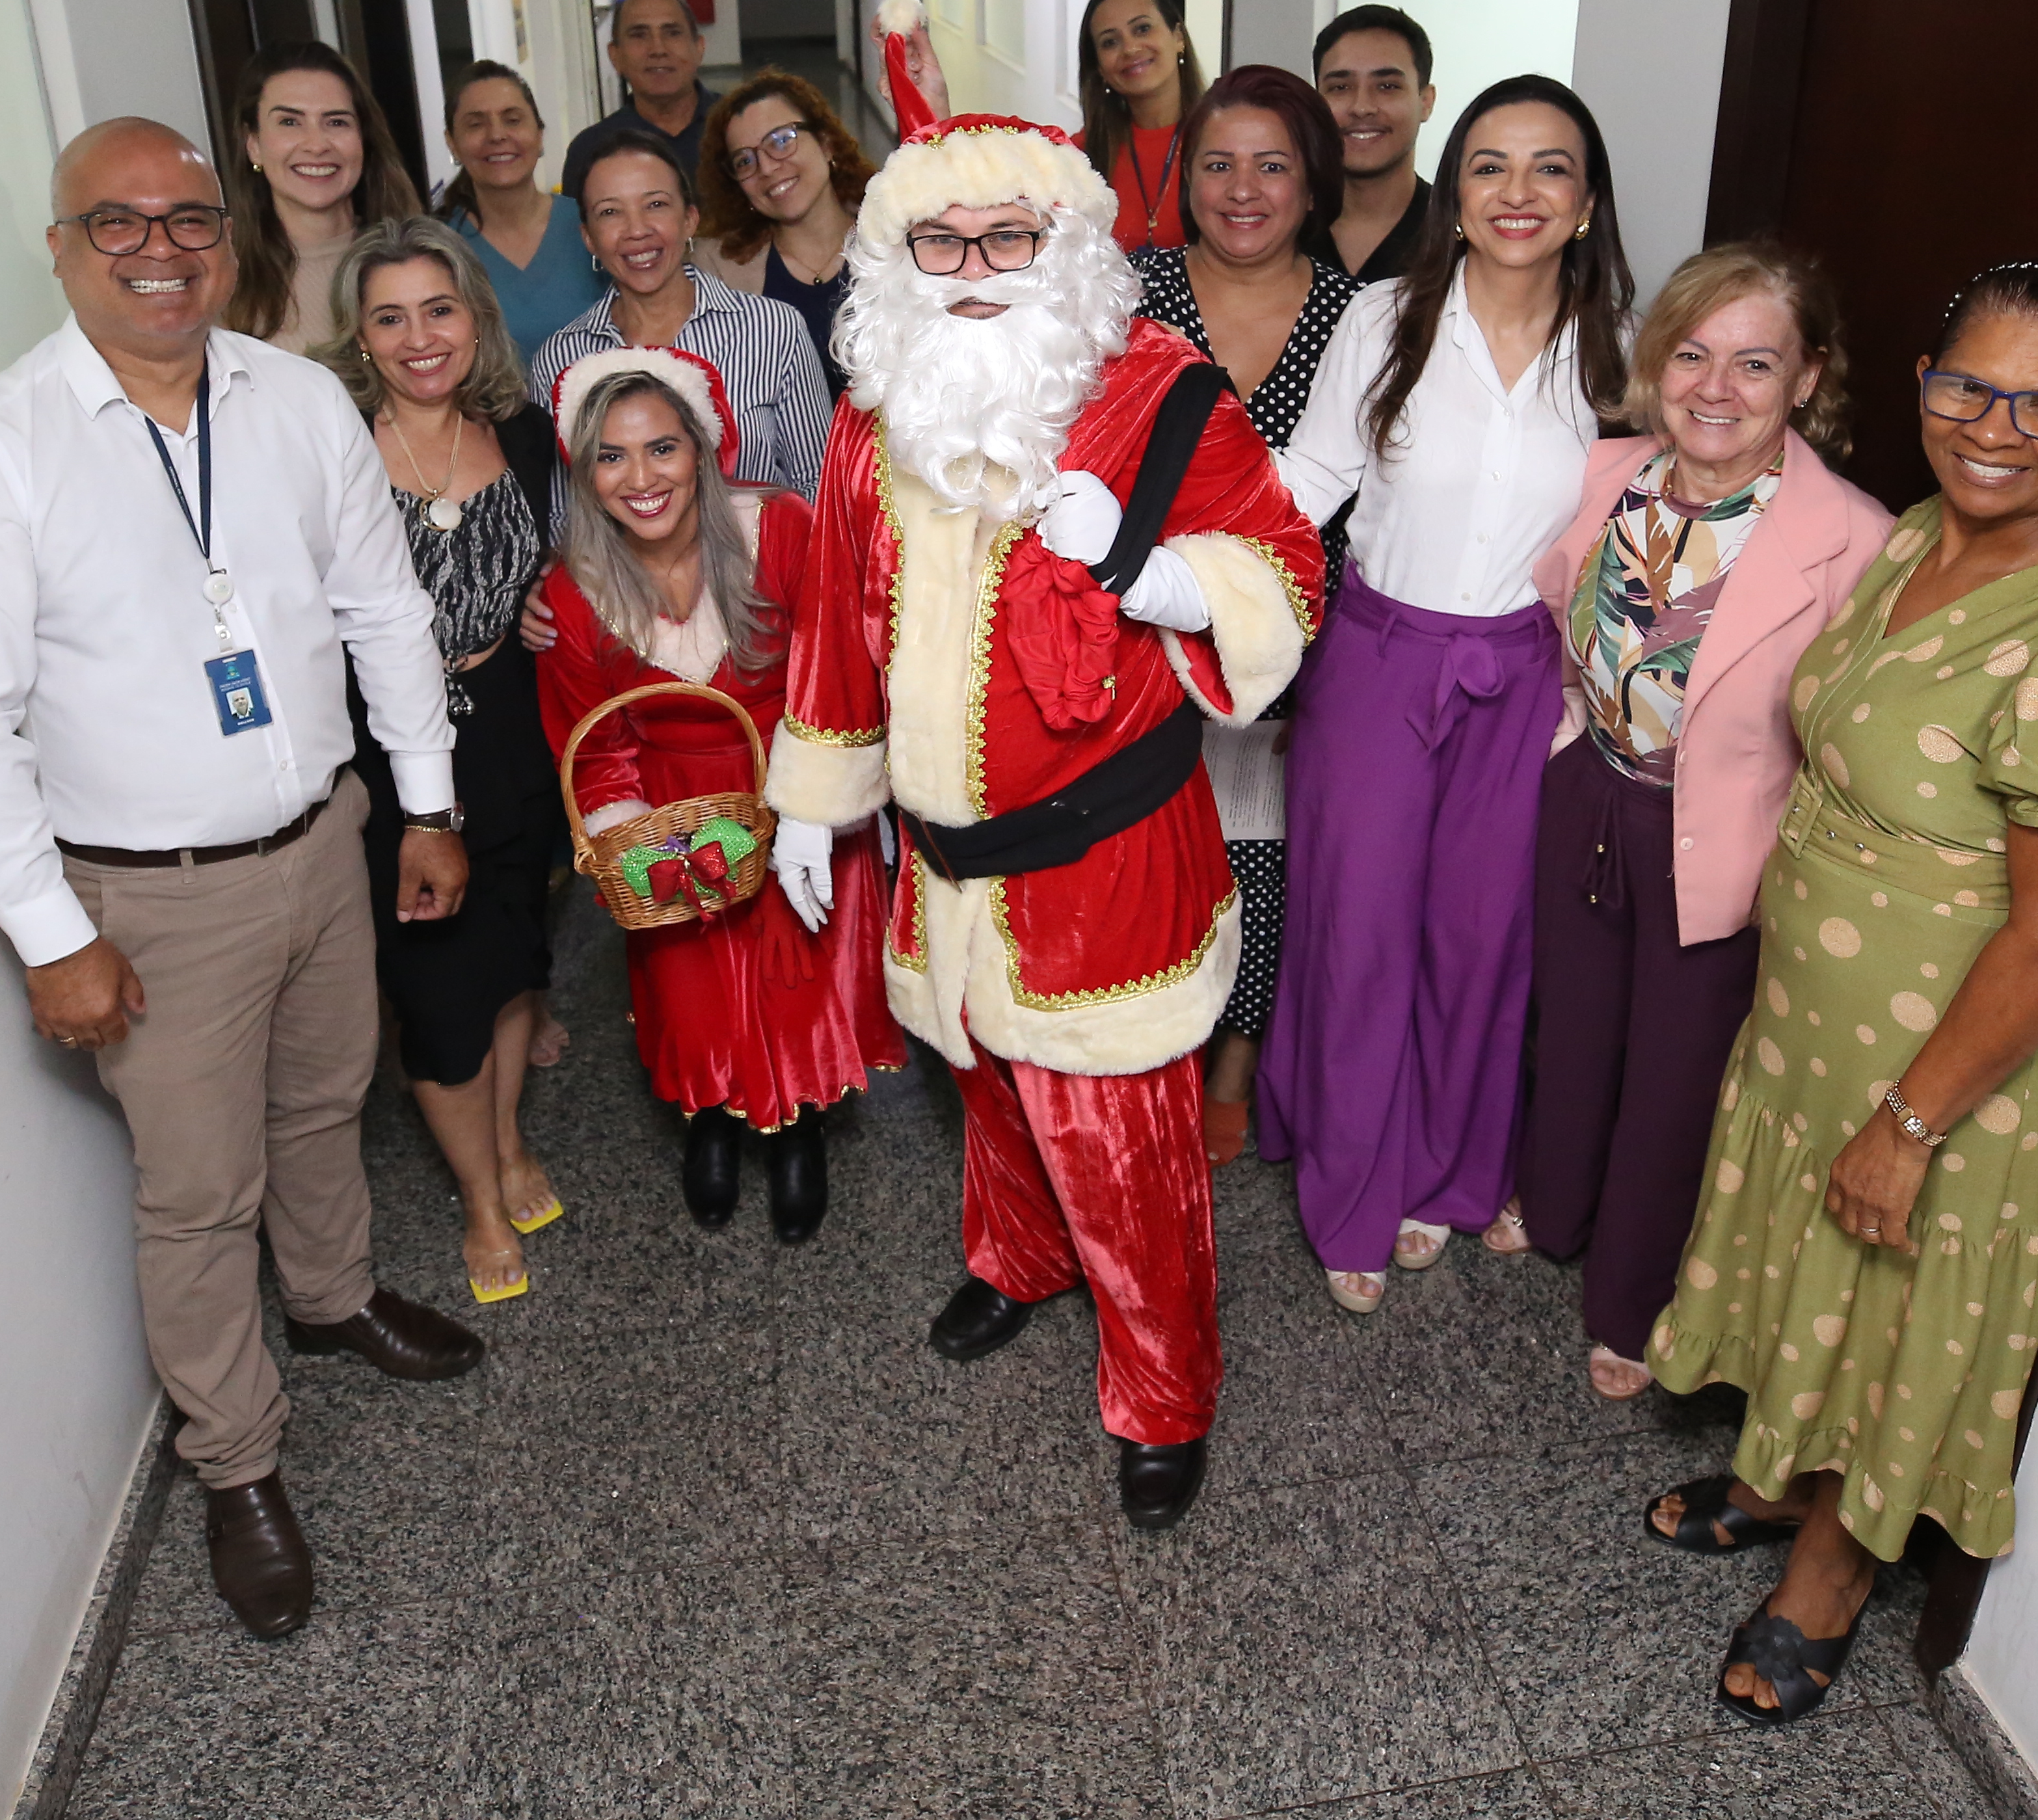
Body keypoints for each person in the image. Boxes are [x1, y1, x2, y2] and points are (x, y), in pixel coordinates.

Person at [0, 116, 483, 1644]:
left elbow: (380, 606)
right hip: (150, 895)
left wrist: (420, 800)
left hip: (320, 842)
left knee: (320, 1097)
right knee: (198, 1186)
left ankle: (335, 1297)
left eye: (187, 222)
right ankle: (237, 1462)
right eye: (119, 223)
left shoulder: (290, 399)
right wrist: (47, 931)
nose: (159, 250)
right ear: (61, 245)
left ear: (230, 238)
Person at [1641, 260, 2038, 1728]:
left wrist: (1906, 1119)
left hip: (1934, 1051)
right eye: (1963, 384)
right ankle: (1776, 1472)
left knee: (1888, 1285)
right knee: (1798, 1244)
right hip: (1810, 1015)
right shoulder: (1910, 539)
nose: (1990, 425)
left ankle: (1828, 1570)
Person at [765, 113, 1323, 1532]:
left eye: (1006, 238)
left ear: (1066, 248)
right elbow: (837, 615)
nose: (971, 269)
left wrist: (1147, 570)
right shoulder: (871, 411)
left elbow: (1288, 573)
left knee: (1124, 1150)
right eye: (938, 242)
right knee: (987, 1093)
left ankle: (1162, 1390)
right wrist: (810, 806)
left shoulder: (1163, 396)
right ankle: (1019, 1262)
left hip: (1109, 860)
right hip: (940, 865)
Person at [1498, 243, 1896, 1400]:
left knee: (1676, 1077)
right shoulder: (1611, 469)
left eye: (1757, 363)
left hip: (1720, 834)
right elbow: (1555, 609)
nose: (1716, 388)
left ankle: (1632, 1298)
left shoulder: (1854, 535)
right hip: (1590, 791)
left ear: (1809, 378)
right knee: (1568, 1025)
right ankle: (1554, 1203)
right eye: (1694, 353)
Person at [1265, 76, 1637, 1312]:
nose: (1517, 193)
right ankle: (1353, 1188)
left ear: (1587, 203)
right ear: (1456, 193)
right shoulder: (1382, 319)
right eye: (1489, 166)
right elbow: (1308, 474)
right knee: (1360, 926)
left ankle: (1445, 1174)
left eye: (1549, 169)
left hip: (1529, 678)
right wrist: (1170, 561)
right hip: (1376, 660)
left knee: (1481, 940)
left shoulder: (1621, 351)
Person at [537, 347, 896, 1240]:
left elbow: (837, 671)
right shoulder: (573, 591)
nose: (641, 478)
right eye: (611, 457)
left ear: (701, 446)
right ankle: (710, 1115)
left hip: (795, 778)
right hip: (667, 803)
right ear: (585, 473)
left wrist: (808, 805)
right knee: (691, 982)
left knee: (798, 974)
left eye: (662, 447)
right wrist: (641, 839)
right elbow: (596, 748)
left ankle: (799, 1121)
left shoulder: (781, 529)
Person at [314, 217, 567, 1305]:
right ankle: (475, 1196)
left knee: (514, 956)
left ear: (475, 318)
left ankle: (509, 1143)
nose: (421, 336)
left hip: (513, 723)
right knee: (439, 991)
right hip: (389, 751)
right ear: (360, 338)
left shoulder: (523, 431)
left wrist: (555, 604)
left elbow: (571, 554)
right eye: (390, 316)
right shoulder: (327, 447)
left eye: (440, 308)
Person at [1128, 66, 1360, 1166]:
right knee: (1158, 837)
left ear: (1314, 182)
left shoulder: (1360, 317)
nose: (1244, 188)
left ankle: (1237, 1051)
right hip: (1143, 621)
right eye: (1217, 163)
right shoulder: (1132, 294)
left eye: (1274, 164)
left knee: (1263, 840)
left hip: (1299, 628)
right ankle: (1159, 1035)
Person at [528, 135, 833, 500]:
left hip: (764, 555)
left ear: (690, 219)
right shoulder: (561, 359)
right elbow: (566, 513)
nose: (637, 230)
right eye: (610, 212)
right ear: (589, 238)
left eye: (655, 204)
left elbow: (821, 488)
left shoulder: (773, 330)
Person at [217, 41, 422, 354]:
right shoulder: (221, 286)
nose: (316, 144)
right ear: (253, 144)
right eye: (290, 122)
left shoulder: (426, 258)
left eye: (336, 122)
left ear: (363, 139)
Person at [694, 67, 875, 397]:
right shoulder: (718, 270)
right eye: (745, 161)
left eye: (781, 141)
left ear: (826, 143)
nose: (767, 168)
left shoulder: (897, 237)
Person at [435, 58, 604, 363]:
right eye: (476, 124)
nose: (497, 135)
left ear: (540, 136)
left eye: (513, 120)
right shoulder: (438, 249)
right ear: (453, 144)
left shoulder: (594, 226)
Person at [1305, 3, 1440, 285]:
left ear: (1425, 101)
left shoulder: (1458, 236)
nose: (1362, 107)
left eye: (1387, 86)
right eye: (1340, 88)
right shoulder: (1279, 229)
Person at [1074, 0, 1207, 254]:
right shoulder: (1079, 156)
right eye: (1110, 42)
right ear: (1100, 70)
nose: (1131, 48)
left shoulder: (1225, 139)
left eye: (1143, 29)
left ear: (1178, 37)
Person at [558, 0, 717, 189]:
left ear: (699, 47)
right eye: (639, 35)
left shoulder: (737, 127)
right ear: (615, 56)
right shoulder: (590, 149)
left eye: (672, 33)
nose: (658, 49)